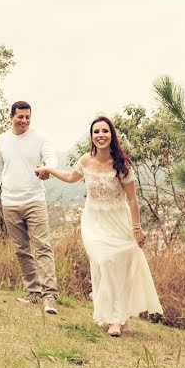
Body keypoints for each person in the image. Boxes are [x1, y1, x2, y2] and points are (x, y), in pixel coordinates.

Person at [36, 116, 163, 336]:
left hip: (118, 222)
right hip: (94, 222)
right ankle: (114, 318)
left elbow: (132, 199)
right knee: (104, 261)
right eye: (96, 132)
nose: (100, 135)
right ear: (92, 137)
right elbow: (70, 176)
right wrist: (49, 169)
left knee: (119, 267)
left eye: (105, 131)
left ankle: (119, 317)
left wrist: (137, 229)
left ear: (111, 135)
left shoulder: (122, 163)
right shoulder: (86, 160)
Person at [0, 101, 59, 314]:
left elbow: (51, 156)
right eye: (20, 117)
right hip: (10, 202)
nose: (24, 121)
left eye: (28, 117)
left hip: (34, 199)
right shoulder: (2, 140)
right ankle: (34, 292)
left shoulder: (40, 137)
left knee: (43, 247)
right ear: (11, 117)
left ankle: (50, 296)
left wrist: (48, 168)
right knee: (22, 250)